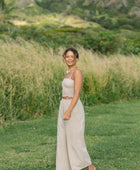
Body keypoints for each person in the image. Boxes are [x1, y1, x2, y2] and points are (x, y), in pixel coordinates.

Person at [56, 47, 96, 170]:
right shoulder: (68, 72)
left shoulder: (77, 72)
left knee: (75, 139)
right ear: (64, 58)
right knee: (63, 137)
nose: (69, 59)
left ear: (76, 58)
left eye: (72, 57)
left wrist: (68, 111)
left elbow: (77, 93)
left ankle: (90, 166)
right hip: (63, 104)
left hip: (73, 107)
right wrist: (64, 109)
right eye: (67, 56)